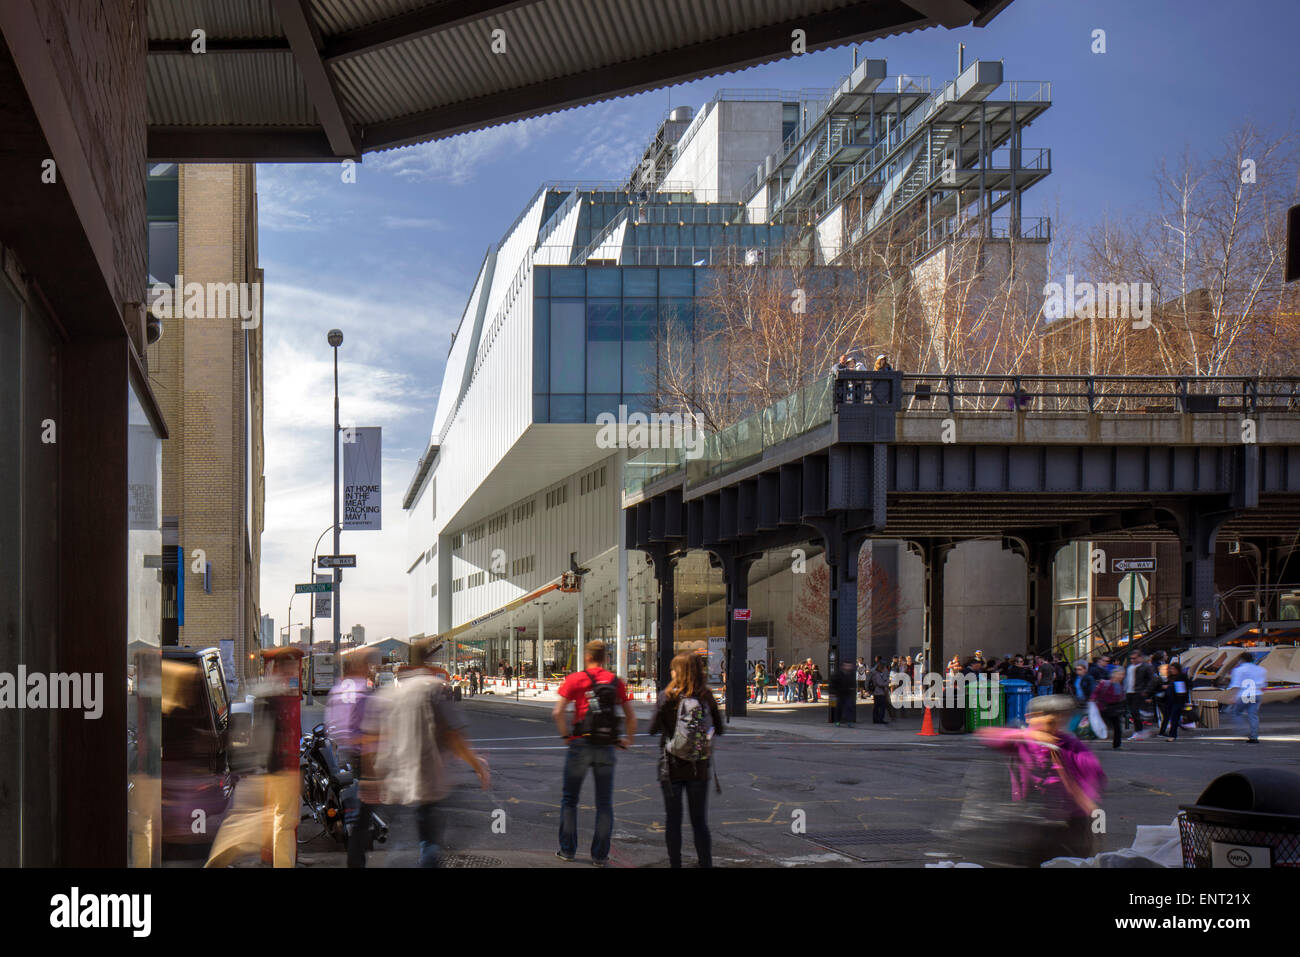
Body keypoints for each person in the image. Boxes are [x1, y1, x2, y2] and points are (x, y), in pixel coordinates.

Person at [372, 651, 491, 867]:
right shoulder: (434, 688)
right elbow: (454, 735)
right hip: (429, 776)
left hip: (398, 776)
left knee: (404, 836)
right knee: (431, 839)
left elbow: (383, 734)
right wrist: (476, 765)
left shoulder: (394, 692)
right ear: (430, 661)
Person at [974, 695, 1106, 866]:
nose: (1055, 724)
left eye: (1060, 718)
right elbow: (987, 736)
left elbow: (1093, 777)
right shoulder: (1022, 740)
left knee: (1072, 861)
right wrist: (1026, 735)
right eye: (1048, 718)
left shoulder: (1072, 746)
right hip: (1033, 820)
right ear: (1029, 718)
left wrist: (1089, 804)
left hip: (1071, 821)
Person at [553, 640, 637, 865]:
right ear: (605, 658)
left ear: (587, 657)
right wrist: (628, 739)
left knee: (570, 799)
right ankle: (600, 856)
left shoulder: (575, 679)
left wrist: (566, 737)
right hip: (606, 745)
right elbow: (631, 716)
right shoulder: (615, 681)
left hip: (580, 743)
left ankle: (567, 850)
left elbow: (558, 712)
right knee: (604, 802)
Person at [649, 652, 724, 867]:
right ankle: (705, 863)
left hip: (670, 767)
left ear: (678, 671)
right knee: (699, 821)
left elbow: (652, 729)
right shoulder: (706, 696)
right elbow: (718, 728)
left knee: (673, 821)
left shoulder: (667, 696)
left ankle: (676, 864)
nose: (671, 672)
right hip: (698, 767)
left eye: (673, 668)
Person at [1228, 652, 1268, 743]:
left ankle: (1244, 730)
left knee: (1237, 712)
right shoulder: (1261, 669)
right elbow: (1263, 683)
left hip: (1245, 694)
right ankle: (1254, 736)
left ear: (1241, 659)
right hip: (1256, 693)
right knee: (1252, 715)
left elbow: (1236, 684)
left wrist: (1233, 696)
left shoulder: (1239, 670)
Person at [1124, 652, 1158, 740]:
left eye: (1134, 658)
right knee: (1133, 712)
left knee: (1135, 712)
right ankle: (1139, 730)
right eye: (1131, 658)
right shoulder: (1130, 667)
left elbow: (1152, 680)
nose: (1132, 660)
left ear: (1140, 658)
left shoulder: (1146, 667)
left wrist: (1146, 691)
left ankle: (1139, 731)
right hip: (1129, 691)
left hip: (1138, 692)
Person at [1092, 667, 1128, 750]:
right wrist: (1093, 702)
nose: (1121, 676)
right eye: (1119, 674)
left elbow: (1120, 697)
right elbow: (1095, 693)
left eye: (1122, 674)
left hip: (1114, 709)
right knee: (1099, 726)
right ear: (1114, 674)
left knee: (1117, 727)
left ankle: (1117, 745)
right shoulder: (1105, 683)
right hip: (1104, 708)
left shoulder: (1120, 685)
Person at [1160, 662, 1190, 740]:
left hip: (1178, 700)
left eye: (1173, 669)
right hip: (1170, 700)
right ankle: (1174, 731)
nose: (1172, 670)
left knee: (1174, 717)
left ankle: (1172, 735)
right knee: (1172, 717)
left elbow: (1184, 689)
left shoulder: (1181, 677)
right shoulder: (1170, 678)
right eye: (1171, 669)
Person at [829, 660, 857, 727]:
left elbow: (853, 684)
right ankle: (838, 721)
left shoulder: (851, 674)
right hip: (839, 693)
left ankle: (849, 721)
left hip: (848, 693)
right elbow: (833, 683)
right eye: (846, 665)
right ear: (843, 666)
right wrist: (833, 692)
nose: (848, 667)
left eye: (849, 666)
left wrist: (853, 691)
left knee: (849, 707)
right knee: (839, 708)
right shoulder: (838, 674)